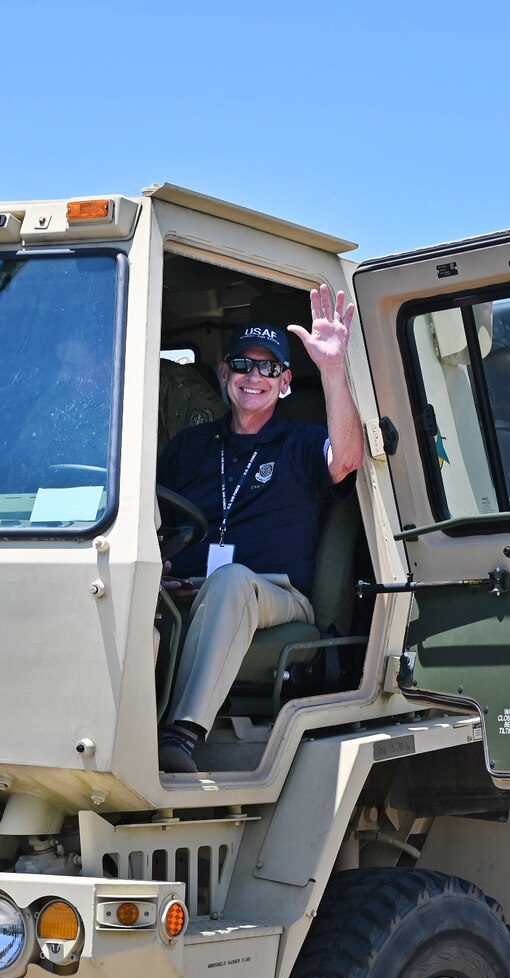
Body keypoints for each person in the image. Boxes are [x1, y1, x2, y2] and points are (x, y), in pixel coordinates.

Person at [156, 285, 365, 772]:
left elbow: (347, 458)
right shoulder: (190, 446)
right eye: (244, 365)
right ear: (225, 373)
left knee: (230, 582)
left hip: (277, 594)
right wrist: (158, 569)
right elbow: (152, 517)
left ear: (285, 380)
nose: (255, 376)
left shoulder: (301, 441)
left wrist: (333, 368)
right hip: (189, 590)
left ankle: (180, 735)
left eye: (269, 367)